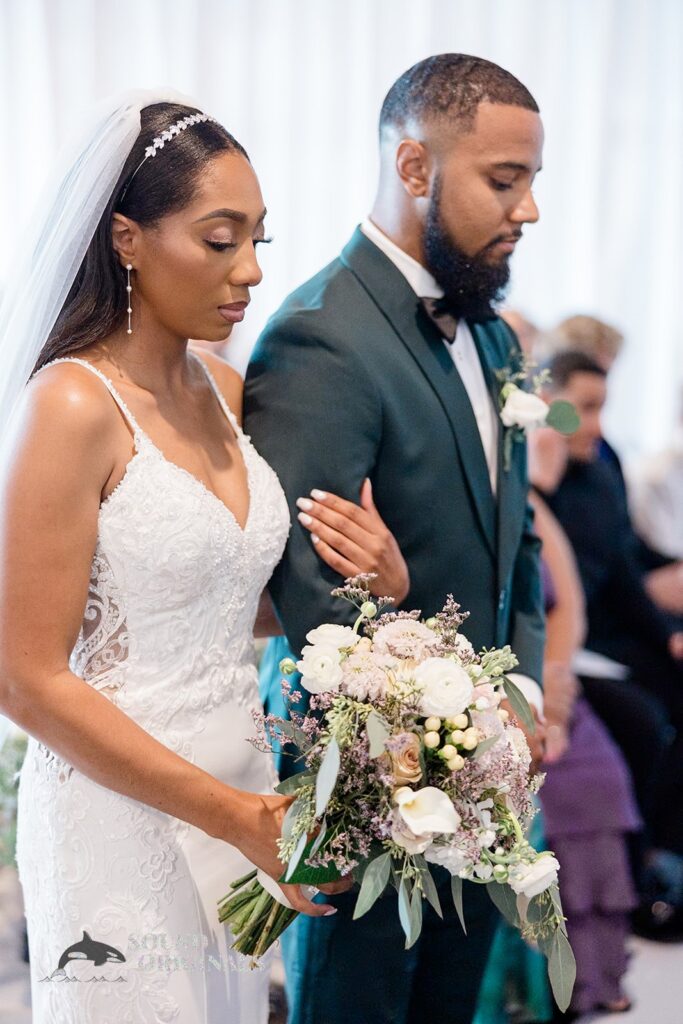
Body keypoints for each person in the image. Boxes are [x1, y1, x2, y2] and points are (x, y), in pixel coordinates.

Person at [0, 91, 411, 1023]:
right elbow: (23, 676)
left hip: (245, 785)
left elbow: (218, 606)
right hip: (121, 811)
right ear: (126, 238)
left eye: (259, 239)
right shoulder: (70, 406)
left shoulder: (225, 388)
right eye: (220, 239)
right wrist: (232, 816)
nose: (252, 272)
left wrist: (374, 578)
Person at [245, 54, 547, 1024]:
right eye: (504, 180)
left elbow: (520, 548)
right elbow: (319, 604)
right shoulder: (321, 336)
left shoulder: (496, 340)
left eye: (531, 181)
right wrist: (462, 732)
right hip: (370, 799)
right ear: (413, 167)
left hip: (483, 784)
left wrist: (521, 701)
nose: (528, 210)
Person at [533, 351, 683, 935]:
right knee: (644, 718)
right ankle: (641, 865)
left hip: (610, 635)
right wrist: (539, 481)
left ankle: (665, 856)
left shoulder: (602, 467)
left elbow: (622, 570)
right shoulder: (532, 476)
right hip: (567, 643)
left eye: (601, 408)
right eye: (582, 410)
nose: (594, 426)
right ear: (547, 405)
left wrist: (670, 634)